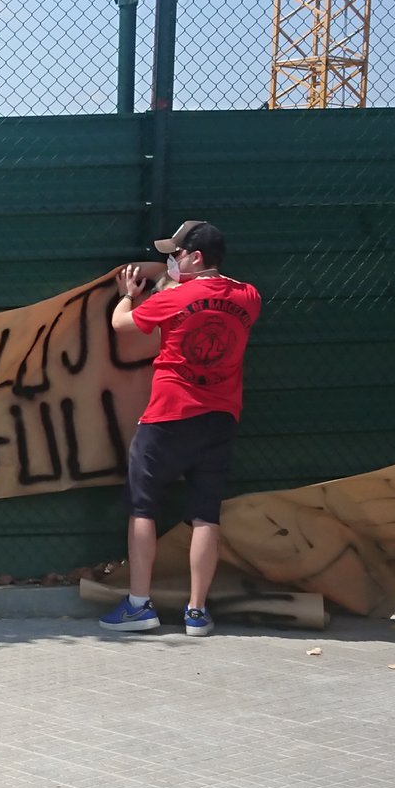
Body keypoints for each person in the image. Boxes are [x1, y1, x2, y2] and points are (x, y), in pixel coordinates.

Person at [100, 220, 261, 637]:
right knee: (206, 514)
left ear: (196, 257)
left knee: (143, 507)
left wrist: (128, 297)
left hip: (169, 414)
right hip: (221, 417)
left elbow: (122, 325)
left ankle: (139, 605)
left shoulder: (176, 296)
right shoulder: (249, 296)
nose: (170, 261)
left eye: (175, 254)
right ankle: (196, 612)